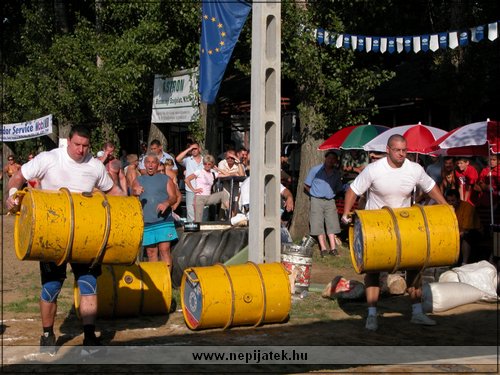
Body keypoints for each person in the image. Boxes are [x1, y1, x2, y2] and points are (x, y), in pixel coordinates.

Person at [5, 125, 126, 354]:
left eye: (85, 146)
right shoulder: (49, 158)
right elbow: (19, 177)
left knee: (88, 285)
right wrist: (11, 195)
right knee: (52, 286)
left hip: (88, 235)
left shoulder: (95, 165)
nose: (81, 150)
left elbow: (113, 192)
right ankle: (48, 334)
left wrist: (131, 207)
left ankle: (90, 337)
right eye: (77, 145)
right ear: (68, 142)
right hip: (53, 234)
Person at [341, 134, 448, 331]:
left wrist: (445, 206)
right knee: (373, 271)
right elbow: (353, 190)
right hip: (377, 228)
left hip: (406, 226)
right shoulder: (374, 169)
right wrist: (347, 212)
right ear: (388, 150)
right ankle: (372, 315)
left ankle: (417, 312)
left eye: (404, 150)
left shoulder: (414, 169)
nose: (401, 154)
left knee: (416, 268)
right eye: (397, 150)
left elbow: (431, 187)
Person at [132, 153, 178, 270]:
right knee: (151, 252)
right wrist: (135, 192)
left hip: (163, 220)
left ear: (158, 165)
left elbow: (174, 197)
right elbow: (132, 195)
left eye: (153, 162)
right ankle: (157, 281)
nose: (150, 165)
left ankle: (166, 281)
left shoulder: (166, 179)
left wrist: (166, 203)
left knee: (164, 250)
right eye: (148, 162)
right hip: (147, 220)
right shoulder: (138, 179)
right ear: (145, 164)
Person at [304, 151, 343, 257]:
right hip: (316, 199)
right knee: (317, 223)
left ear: (335, 161)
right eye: (329, 158)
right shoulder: (315, 170)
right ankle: (323, 248)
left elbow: (339, 187)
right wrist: (313, 193)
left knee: (332, 223)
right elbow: (306, 184)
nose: (331, 160)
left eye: (333, 159)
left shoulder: (336, 173)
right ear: (325, 158)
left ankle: (333, 248)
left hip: (330, 200)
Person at [184, 154, 230, 223]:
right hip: (200, 197)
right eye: (205, 164)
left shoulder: (213, 173)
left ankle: (231, 214)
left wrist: (218, 169)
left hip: (208, 197)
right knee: (198, 221)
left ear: (212, 164)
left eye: (209, 164)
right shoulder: (199, 172)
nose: (207, 166)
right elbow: (187, 179)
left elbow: (228, 175)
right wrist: (193, 189)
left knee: (224, 194)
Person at [445, 189, 482, 265]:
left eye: (453, 200)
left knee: (466, 236)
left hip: (474, 231)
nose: (450, 203)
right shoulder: (448, 209)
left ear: (458, 199)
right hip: (458, 232)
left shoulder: (467, 207)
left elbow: (466, 229)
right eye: (448, 201)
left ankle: (464, 263)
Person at [176, 142, 204, 222]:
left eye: (195, 148)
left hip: (202, 189)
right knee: (190, 211)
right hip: (190, 188)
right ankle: (191, 230)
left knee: (200, 211)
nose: (193, 150)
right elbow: (178, 159)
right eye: (192, 149)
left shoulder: (204, 160)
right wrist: (188, 149)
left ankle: (200, 228)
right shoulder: (188, 160)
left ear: (199, 149)